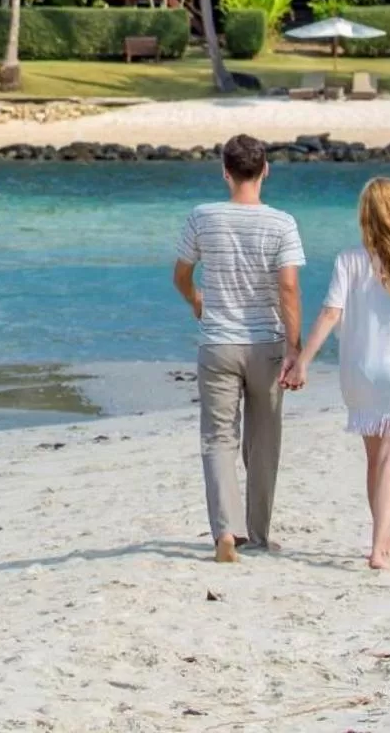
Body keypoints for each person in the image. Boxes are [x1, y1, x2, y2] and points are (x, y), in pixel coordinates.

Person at [282, 177, 390, 571]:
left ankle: (383, 532)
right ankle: (380, 546)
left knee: (374, 458)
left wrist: (304, 360)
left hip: (363, 372)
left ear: (366, 216)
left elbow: (331, 313)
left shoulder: (350, 260)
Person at [173, 133, 304, 563]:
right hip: (265, 342)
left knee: (218, 439)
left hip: (217, 343)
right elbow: (288, 287)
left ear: (225, 172)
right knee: (264, 441)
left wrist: (196, 300)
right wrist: (294, 347)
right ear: (265, 169)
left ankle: (226, 533)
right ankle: (260, 534)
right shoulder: (281, 223)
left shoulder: (202, 217)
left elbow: (181, 274)